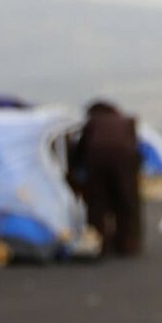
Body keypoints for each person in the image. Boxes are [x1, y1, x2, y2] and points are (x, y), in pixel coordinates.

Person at [66, 100, 143, 257]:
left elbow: (82, 147)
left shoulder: (93, 121)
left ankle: (99, 243)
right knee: (127, 202)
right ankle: (128, 243)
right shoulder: (127, 122)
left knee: (97, 203)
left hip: (97, 158)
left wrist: (74, 171)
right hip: (125, 160)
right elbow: (135, 145)